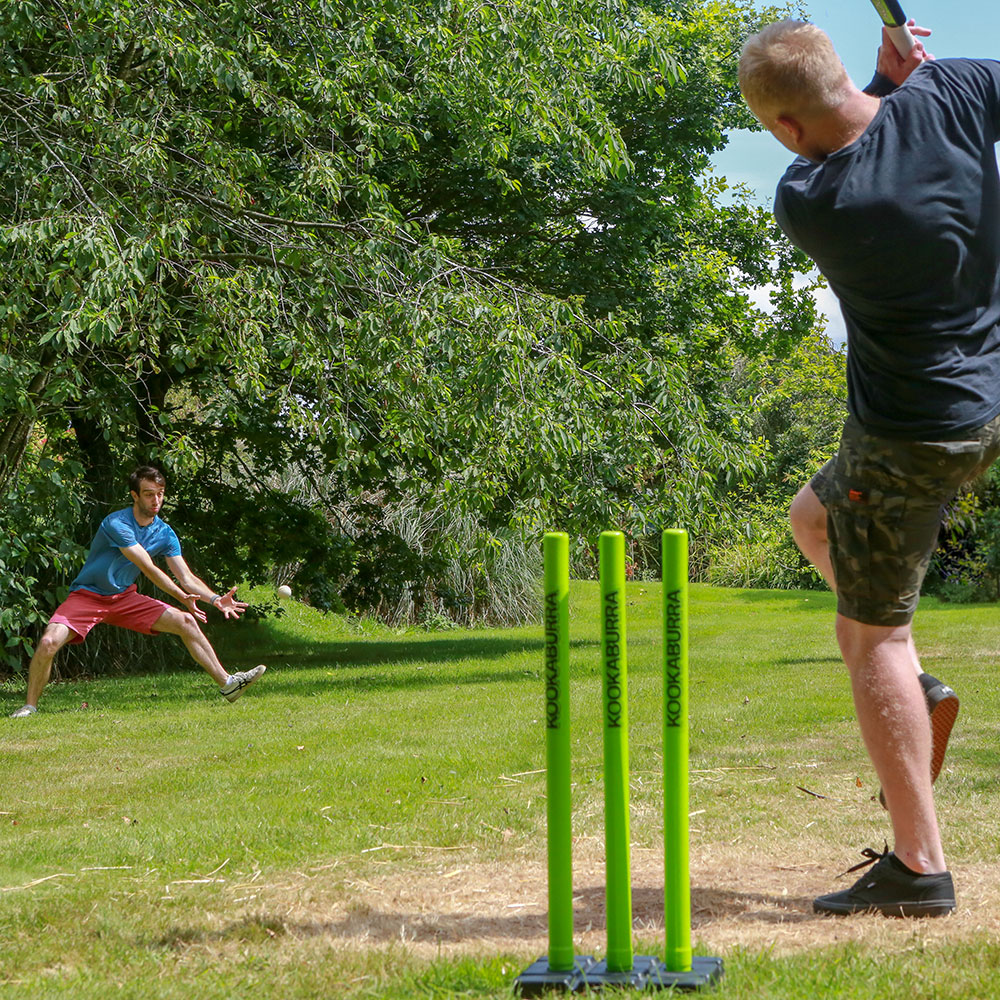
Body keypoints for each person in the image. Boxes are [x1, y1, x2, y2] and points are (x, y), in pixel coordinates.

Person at [738, 19, 1000, 917]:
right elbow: (887, 133)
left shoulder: (812, 199)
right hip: (981, 406)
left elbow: (855, 147)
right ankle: (917, 693)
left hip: (905, 438)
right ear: (842, 70)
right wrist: (909, 89)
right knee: (809, 520)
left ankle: (919, 867)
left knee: (871, 639)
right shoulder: (959, 91)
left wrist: (892, 95)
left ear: (783, 126)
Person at [10, 465, 266, 717]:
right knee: (48, 642)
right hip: (88, 596)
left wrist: (214, 599)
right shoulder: (116, 523)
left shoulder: (165, 533)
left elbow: (186, 577)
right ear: (134, 495)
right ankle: (30, 706)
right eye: (148, 493)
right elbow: (147, 567)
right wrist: (180, 596)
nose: (156, 500)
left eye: (160, 493)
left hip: (124, 598)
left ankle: (228, 684)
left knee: (186, 621)